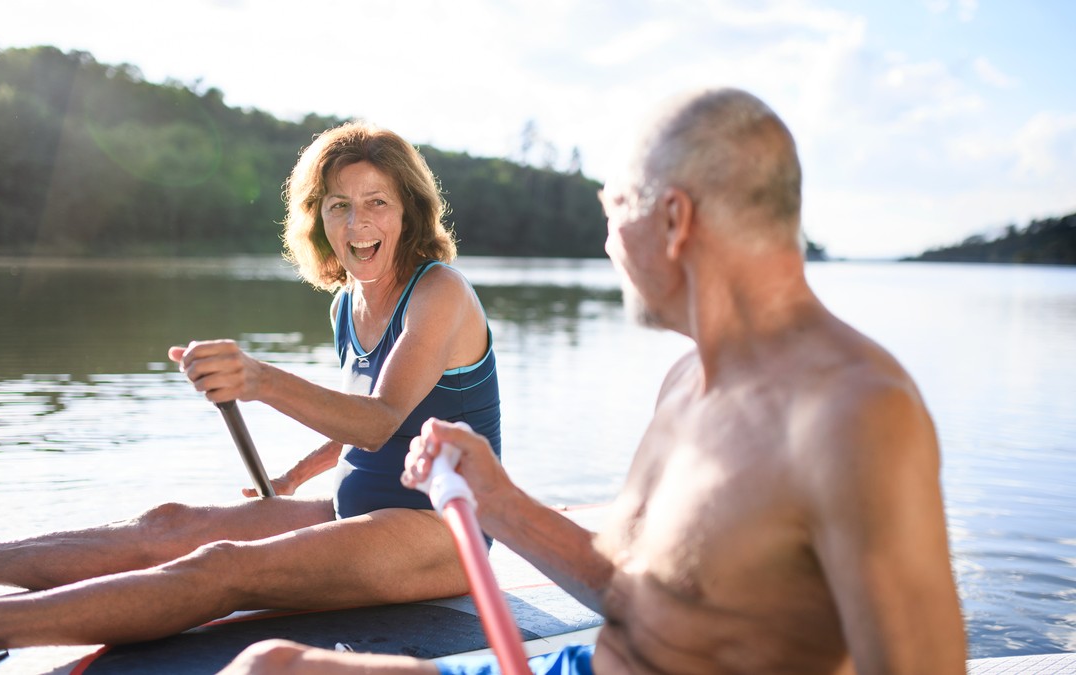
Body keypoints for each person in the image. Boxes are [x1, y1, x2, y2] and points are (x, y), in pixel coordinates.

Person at [213, 88, 969, 674]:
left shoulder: (858, 415)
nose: (608, 242)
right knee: (269, 666)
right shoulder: (689, 380)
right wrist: (501, 502)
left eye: (616, 209)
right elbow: (630, 588)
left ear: (672, 220)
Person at [0, 121, 502, 674]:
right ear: (319, 218)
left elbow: (379, 422)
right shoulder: (350, 302)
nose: (358, 223)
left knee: (223, 565)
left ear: (409, 212)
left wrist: (260, 380)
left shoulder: (439, 291)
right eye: (340, 205)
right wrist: (290, 478)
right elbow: (377, 417)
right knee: (168, 524)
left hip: (441, 533)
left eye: (377, 203)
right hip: (356, 508)